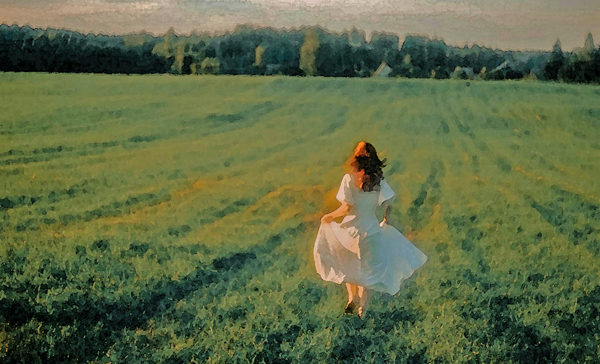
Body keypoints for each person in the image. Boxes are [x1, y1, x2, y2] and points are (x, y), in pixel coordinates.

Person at [313, 141, 428, 319]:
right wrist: (385, 218)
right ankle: (362, 309)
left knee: (347, 263)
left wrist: (329, 216)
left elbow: (346, 208)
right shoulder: (379, 181)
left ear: (356, 158)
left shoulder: (349, 179)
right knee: (366, 270)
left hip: (350, 231)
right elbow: (389, 201)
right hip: (371, 231)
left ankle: (352, 298)